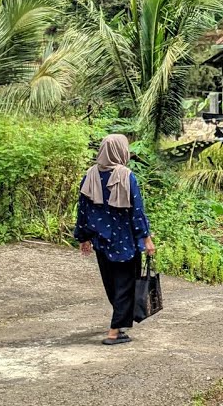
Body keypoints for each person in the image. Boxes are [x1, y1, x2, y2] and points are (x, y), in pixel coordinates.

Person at [73, 134, 155, 345]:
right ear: (121, 151)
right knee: (126, 285)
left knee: (112, 284)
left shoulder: (90, 175)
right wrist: (146, 239)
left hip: (101, 240)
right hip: (125, 241)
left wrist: (83, 237)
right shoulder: (126, 176)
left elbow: (83, 210)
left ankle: (119, 324)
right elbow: (137, 212)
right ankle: (114, 331)